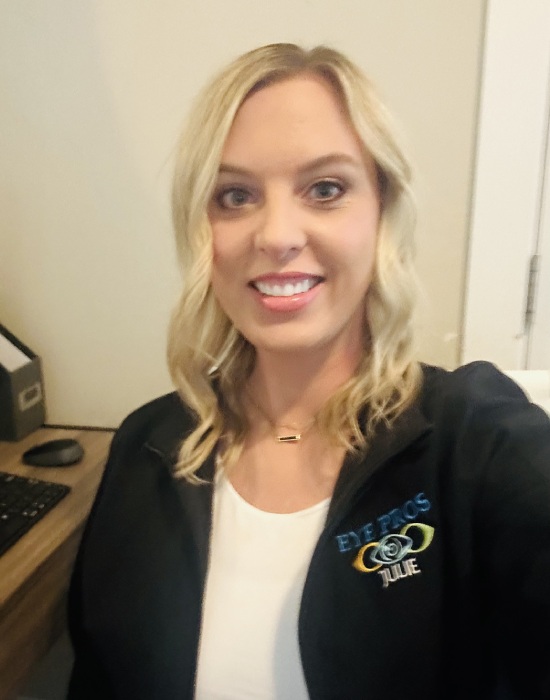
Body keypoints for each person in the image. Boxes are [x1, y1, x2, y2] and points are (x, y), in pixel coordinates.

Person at [67, 43, 550, 699]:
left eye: (325, 189)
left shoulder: (479, 441)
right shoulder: (145, 448)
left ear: (381, 209)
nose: (275, 235)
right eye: (234, 195)